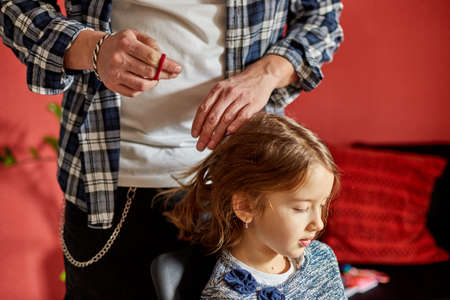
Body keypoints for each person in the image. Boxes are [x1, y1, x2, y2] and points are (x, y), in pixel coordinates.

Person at [0, 0, 343, 299]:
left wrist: (268, 73)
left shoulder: (319, 264)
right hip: (108, 184)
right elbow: (15, 7)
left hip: (242, 185)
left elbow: (323, 16)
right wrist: (93, 48)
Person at [165, 112, 346, 299]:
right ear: (245, 206)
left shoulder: (322, 259)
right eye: (301, 208)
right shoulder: (226, 294)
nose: (318, 224)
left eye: (322, 205)